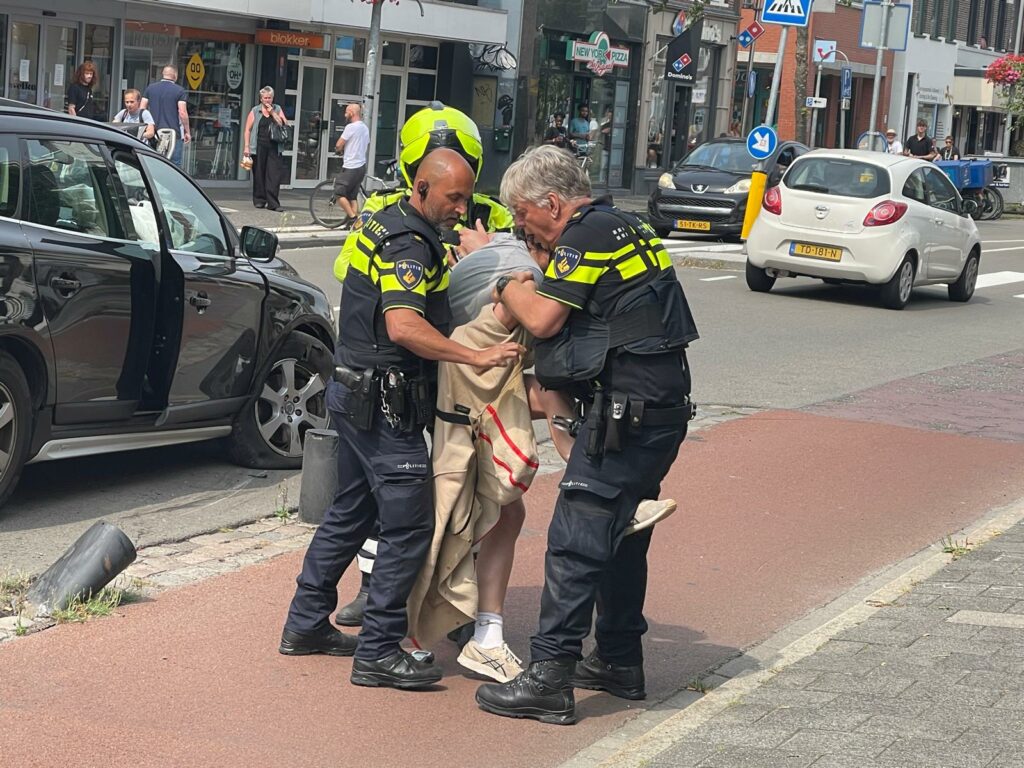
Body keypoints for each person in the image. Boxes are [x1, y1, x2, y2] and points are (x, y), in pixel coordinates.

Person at [279, 148, 525, 690]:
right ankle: (379, 651)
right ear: (422, 189)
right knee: (410, 527)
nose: (460, 208)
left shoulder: (385, 220)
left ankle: (305, 623)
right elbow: (403, 326)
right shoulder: (409, 243)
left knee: (351, 512)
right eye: (452, 198)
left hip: (354, 393)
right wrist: (478, 356)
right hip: (385, 405)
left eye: (465, 197)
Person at [475, 144, 698, 725]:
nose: (524, 227)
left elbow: (543, 317)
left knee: (576, 538)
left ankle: (549, 678)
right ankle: (619, 661)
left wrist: (506, 284)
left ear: (552, 202)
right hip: (658, 410)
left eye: (524, 215)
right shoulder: (625, 225)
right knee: (619, 537)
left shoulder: (586, 232)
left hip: (627, 415)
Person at [331, 102, 515, 627]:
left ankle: (452, 595)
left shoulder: (490, 214)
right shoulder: (388, 212)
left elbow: (519, 267)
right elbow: (350, 269)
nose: (459, 204)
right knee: (391, 496)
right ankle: (376, 594)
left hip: (459, 371)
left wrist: (480, 257)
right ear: (418, 173)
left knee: (466, 486)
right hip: (412, 367)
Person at [243, 86, 288, 212]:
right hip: (258, 146)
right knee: (259, 173)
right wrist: (246, 146)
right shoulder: (255, 110)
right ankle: (259, 200)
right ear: (261, 99)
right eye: (265, 98)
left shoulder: (277, 108)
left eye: (269, 98)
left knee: (274, 175)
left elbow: (283, 123)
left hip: (274, 147)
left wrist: (272, 112)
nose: (267, 100)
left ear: (272, 98)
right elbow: (247, 130)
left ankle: (273, 203)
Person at [141, 65, 191, 168]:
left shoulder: (150, 88)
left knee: (153, 163)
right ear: (175, 75)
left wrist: (146, 128)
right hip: (174, 134)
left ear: (163, 74)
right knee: (174, 166)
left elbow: (142, 109)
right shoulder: (180, 91)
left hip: (154, 134)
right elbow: (182, 113)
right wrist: (187, 131)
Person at [334, 102, 370, 225]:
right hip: (361, 166)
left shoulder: (351, 127)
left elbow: (339, 144)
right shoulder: (365, 128)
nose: (345, 115)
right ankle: (354, 224)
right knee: (352, 196)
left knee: (339, 193)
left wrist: (338, 150)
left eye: (346, 112)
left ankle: (353, 217)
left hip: (351, 166)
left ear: (352, 113)